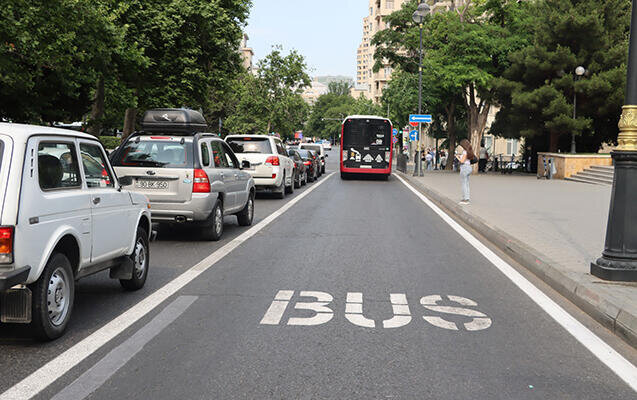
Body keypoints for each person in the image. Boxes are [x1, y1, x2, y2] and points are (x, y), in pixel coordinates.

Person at [456, 139, 475, 204]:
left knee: (464, 184)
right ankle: (467, 198)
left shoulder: (464, 151)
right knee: (466, 184)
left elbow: (462, 161)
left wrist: (457, 157)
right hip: (469, 167)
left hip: (464, 167)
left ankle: (465, 199)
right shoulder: (469, 151)